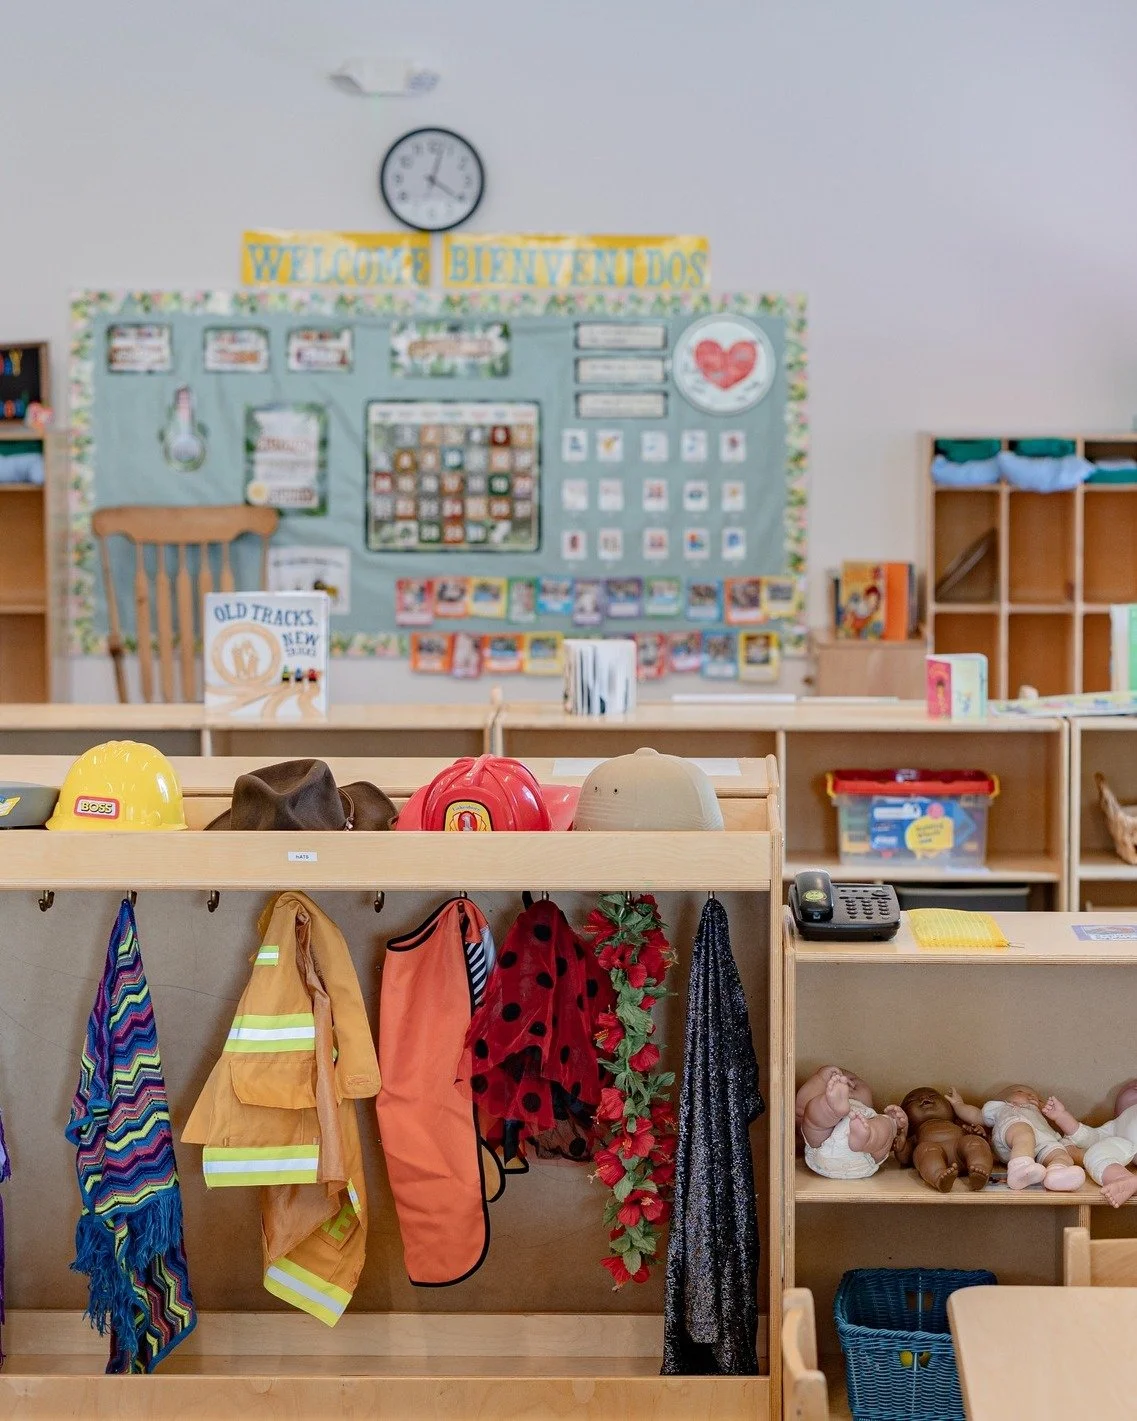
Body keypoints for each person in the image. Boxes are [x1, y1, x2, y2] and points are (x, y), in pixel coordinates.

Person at [1044, 1081, 1137, 1207]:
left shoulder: (1119, 1127)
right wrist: (1061, 1116)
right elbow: (1089, 1137)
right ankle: (1122, 1178)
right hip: (1126, 1142)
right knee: (1095, 1153)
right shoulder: (1117, 1125)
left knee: (1095, 1154)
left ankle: (1122, 1178)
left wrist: (1061, 1116)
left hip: (1127, 1142)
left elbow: (1088, 1137)